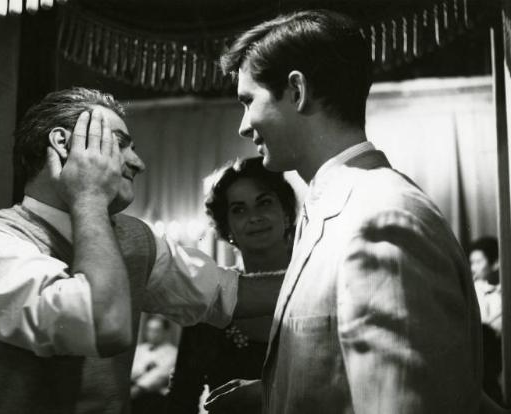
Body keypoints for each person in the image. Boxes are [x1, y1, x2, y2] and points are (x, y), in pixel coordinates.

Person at [0, 88, 283, 414]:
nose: (138, 163)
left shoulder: (134, 236)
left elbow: (229, 294)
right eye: (121, 144)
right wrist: (88, 197)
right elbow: (103, 327)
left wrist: (334, 273)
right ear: (64, 145)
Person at [204, 9, 482, 414]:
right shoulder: (333, 211)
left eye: (249, 101)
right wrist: (272, 395)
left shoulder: (380, 218)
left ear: (296, 91)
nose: (244, 126)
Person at [166, 157, 296, 413]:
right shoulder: (209, 295)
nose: (254, 217)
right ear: (226, 228)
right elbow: (182, 396)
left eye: (265, 203)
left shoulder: (320, 282)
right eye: (239, 209)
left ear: (287, 212)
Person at [469, 237, 503, 405]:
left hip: (498, 347)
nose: (473, 267)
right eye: (471, 262)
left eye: (478, 261)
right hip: (477, 346)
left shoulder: (502, 292)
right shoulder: (472, 290)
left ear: (495, 263)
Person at [131, 315, 177, 413]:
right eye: (149, 330)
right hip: (131, 387)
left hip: (152, 395)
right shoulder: (140, 349)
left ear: (165, 332)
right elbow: (131, 371)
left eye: (156, 330)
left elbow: (159, 376)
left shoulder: (173, 353)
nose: (152, 334)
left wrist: (137, 389)